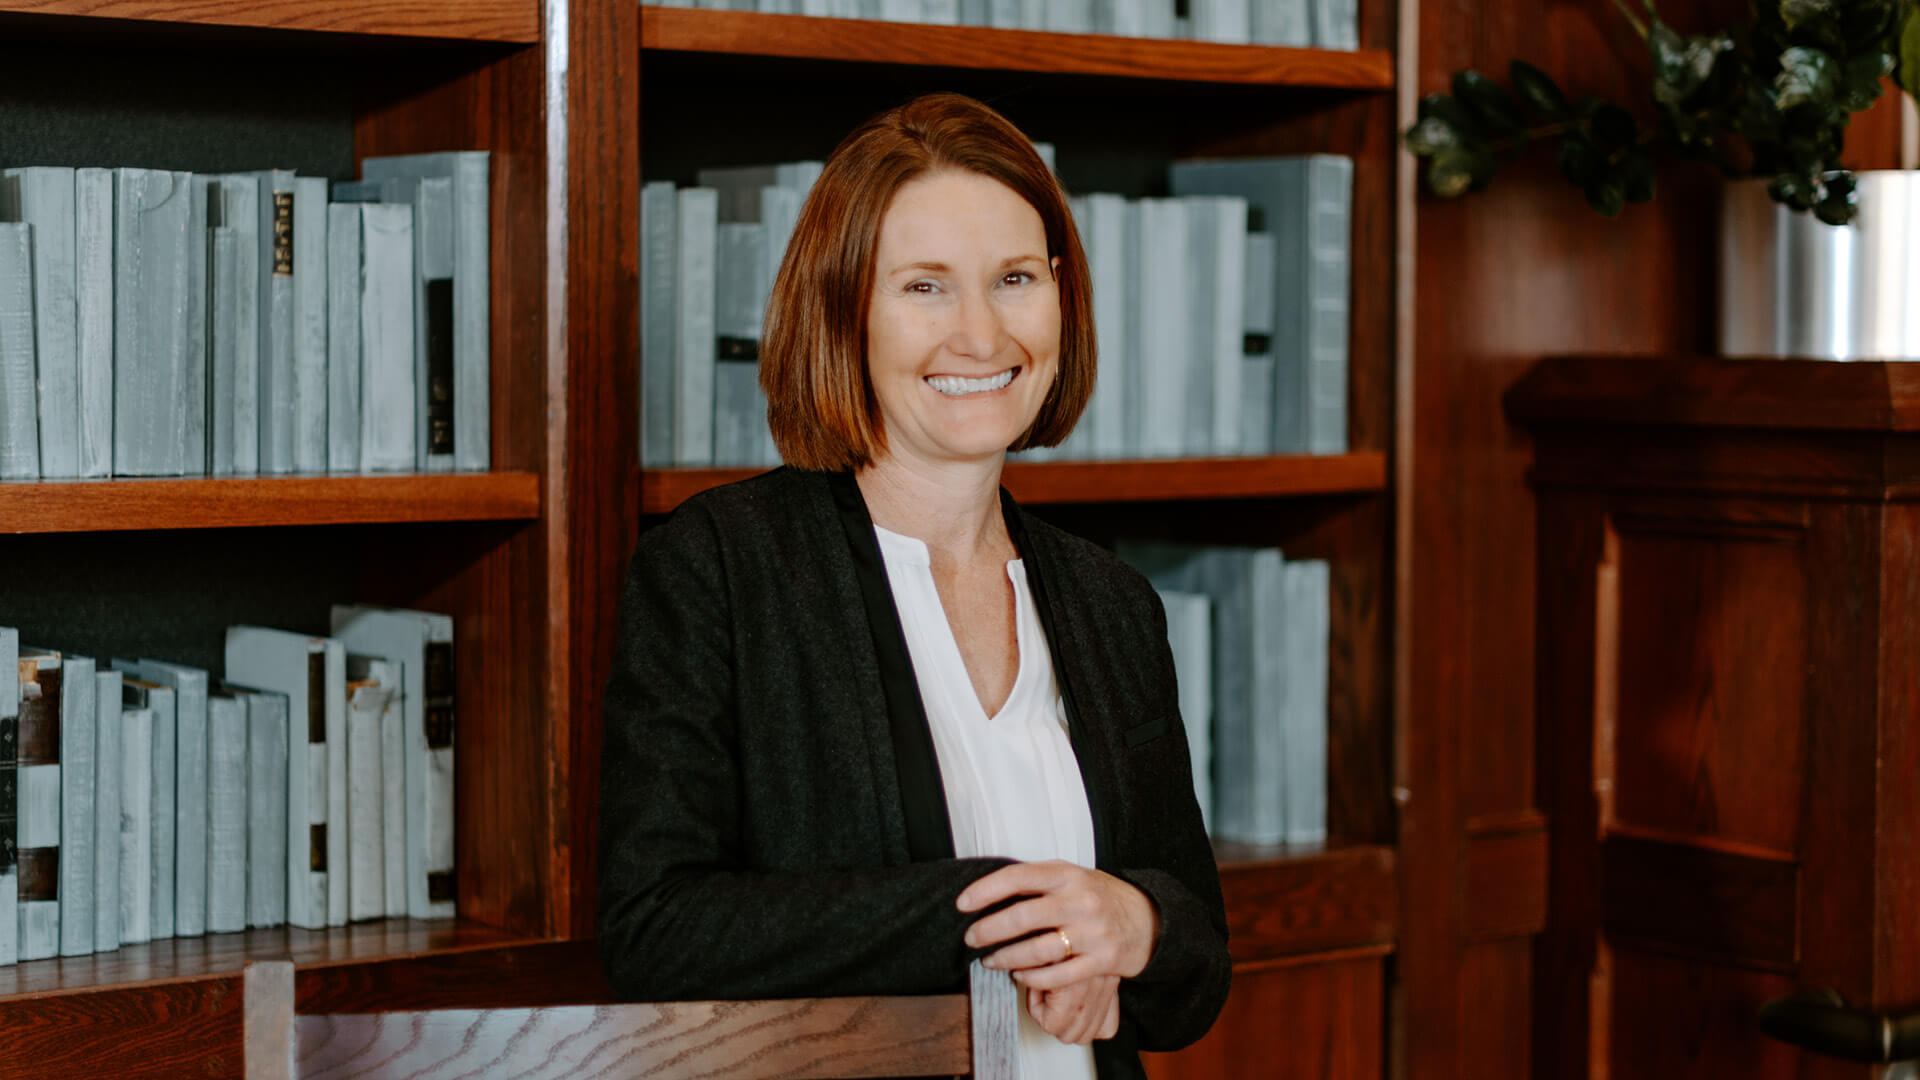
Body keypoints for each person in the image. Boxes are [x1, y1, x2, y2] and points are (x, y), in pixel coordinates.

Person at [598, 91, 1229, 1080]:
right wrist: (996, 910)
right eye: (925, 287)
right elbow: (656, 930)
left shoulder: (1112, 602)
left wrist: (1134, 922)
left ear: (1061, 295)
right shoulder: (718, 569)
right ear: (845, 309)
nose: (980, 336)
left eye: (1014, 278)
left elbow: (1195, 970)